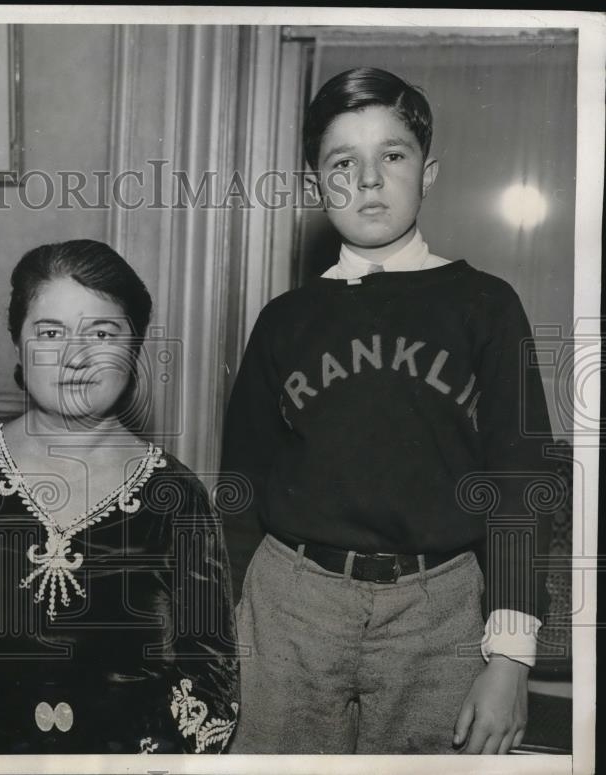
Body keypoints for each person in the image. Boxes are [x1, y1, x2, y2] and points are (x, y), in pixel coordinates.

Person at [224, 68, 553, 754]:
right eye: (344, 162)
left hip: (438, 612)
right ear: (316, 185)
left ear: (428, 172)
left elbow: (521, 482)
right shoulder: (285, 320)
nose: (368, 179)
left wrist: (511, 655)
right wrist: (227, 619)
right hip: (290, 606)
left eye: (392, 156)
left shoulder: (485, 306)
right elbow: (241, 484)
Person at [0, 239, 239, 754]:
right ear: (18, 345)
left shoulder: (177, 498)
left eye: (102, 332)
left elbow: (211, 688)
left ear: (135, 347)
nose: (75, 356)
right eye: (50, 332)